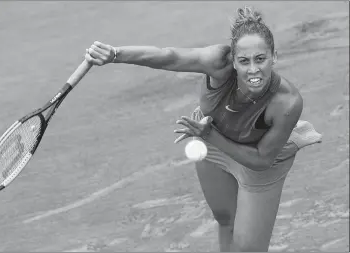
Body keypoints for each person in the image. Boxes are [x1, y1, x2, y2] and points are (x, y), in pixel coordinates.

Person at [84, 6, 322, 252]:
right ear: (232, 61)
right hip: (212, 139)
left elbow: (262, 159)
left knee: (247, 250)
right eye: (244, 61)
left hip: (261, 163)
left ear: (275, 57)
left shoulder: (287, 102)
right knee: (225, 219)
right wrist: (114, 54)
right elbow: (169, 56)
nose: (253, 69)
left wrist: (209, 135)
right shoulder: (217, 62)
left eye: (260, 59)